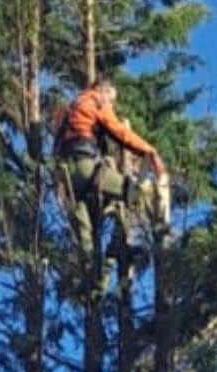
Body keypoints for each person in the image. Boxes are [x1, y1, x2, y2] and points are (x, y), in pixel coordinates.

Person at [56, 77, 165, 255]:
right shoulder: (96, 101)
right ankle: (117, 248)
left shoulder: (72, 108)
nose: (111, 105)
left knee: (86, 240)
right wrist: (149, 151)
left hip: (67, 177)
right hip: (86, 166)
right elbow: (120, 132)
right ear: (103, 91)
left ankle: (94, 277)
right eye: (112, 99)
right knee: (132, 192)